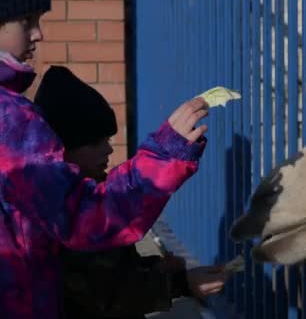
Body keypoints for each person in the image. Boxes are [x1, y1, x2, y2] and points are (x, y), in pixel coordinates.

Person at [0, 0, 211, 318]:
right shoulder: (9, 120)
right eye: (27, 20)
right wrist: (166, 153)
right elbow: (86, 218)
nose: (39, 34)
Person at [34, 66, 227, 319]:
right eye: (94, 143)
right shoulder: (63, 212)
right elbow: (103, 293)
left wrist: (159, 270)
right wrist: (180, 284)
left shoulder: (87, 192)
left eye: (108, 140)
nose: (108, 150)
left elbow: (112, 267)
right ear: (61, 149)